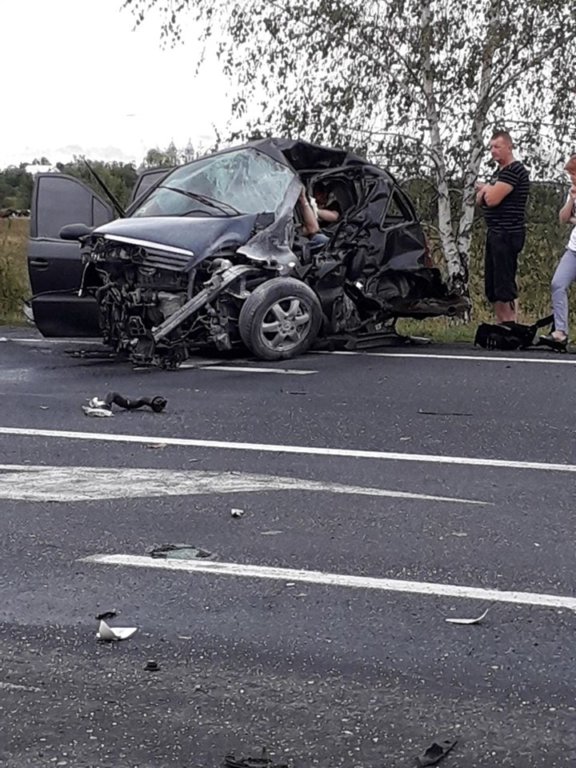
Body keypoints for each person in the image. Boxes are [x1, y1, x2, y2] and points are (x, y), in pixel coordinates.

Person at [475, 130, 530, 323]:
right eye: (491, 147)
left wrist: (485, 188)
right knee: (493, 285)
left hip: (507, 233)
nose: (493, 151)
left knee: (504, 283)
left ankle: (510, 323)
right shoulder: (500, 174)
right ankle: (501, 323)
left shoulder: (514, 171)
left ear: (509, 147)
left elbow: (491, 199)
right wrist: (487, 191)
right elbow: (479, 200)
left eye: (497, 146)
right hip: (495, 232)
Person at [540, 155, 576, 350]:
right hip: (573, 249)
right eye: (570, 174)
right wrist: (572, 198)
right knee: (558, 284)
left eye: (573, 174)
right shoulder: (573, 191)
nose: (571, 178)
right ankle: (560, 332)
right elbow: (563, 217)